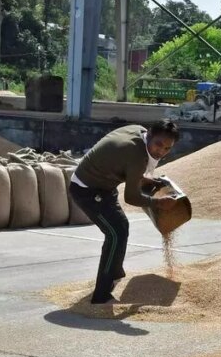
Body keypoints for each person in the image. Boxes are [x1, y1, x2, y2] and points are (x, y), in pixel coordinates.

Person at [70, 121, 181, 304]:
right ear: (150, 135)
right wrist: (158, 203)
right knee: (115, 234)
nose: (161, 151)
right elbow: (131, 197)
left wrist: (142, 179)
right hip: (87, 189)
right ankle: (101, 296)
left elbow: (122, 163)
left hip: (105, 185)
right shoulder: (137, 156)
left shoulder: (138, 131)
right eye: (159, 144)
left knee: (122, 226)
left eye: (167, 148)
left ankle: (115, 273)